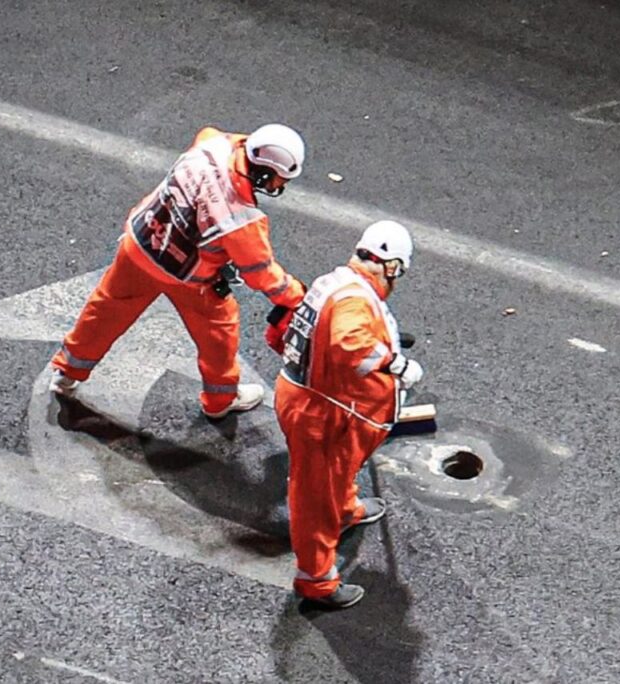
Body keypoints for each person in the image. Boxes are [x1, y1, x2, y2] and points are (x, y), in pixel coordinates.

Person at [49, 123, 308, 420]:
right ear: (262, 173)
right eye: (278, 180)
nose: (278, 187)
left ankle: (67, 373)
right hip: (187, 276)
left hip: (140, 245)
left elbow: (214, 135)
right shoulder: (241, 219)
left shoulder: (213, 144)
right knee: (219, 333)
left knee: (105, 310)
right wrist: (295, 295)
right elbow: (260, 274)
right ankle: (220, 399)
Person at [273, 220, 424, 609]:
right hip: (321, 414)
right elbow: (348, 343)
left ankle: (346, 509)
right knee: (314, 499)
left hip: (318, 403)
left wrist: (386, 338)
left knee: (335, 475)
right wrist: (394, 362)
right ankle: (317, 582)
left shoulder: (337, 281)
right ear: (391, 266)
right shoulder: (355, 300)